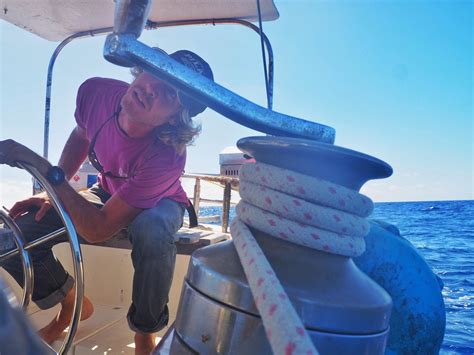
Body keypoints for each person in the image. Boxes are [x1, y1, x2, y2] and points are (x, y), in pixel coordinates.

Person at [0, 49, 213, 355]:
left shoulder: (168, 155)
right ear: (143, 68)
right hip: (107, 191)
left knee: (153, 229)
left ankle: (145, 332)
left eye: (169, 93)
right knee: (10, 237)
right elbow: (80, 135)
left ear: (173, 120)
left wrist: (40, 167)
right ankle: (72, 303)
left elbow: (97, 230)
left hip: (160, 202)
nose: (151, 88)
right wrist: (50, 192)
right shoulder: (95, 92)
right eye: (158, 73)